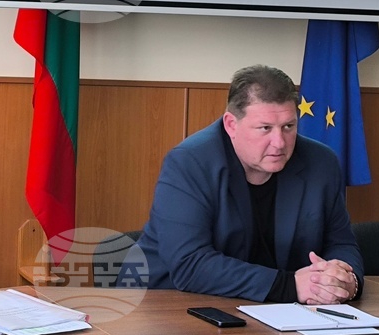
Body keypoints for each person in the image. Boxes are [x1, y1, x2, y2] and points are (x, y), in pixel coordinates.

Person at [135, 64, 363, 304]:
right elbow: (189, 263)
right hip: (165, 303)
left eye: (288, 126)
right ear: (231, 125)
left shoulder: (321, 163)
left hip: (276, 311)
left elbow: (341, 242)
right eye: (265, 128)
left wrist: (345, 281)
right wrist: (289, 286)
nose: (279, 142)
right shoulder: (190, 163)